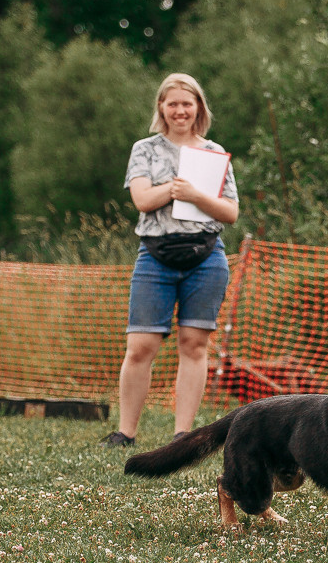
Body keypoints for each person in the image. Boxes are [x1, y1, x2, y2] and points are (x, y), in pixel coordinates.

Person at [101, 73, 238, 447]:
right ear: (161, 107)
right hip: (155, 256)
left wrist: (193, 193)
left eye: (187, 103)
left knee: (194, 345)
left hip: (206, 256)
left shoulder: (213, 152)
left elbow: (230, 212)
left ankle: (184, 434)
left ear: (199, 108)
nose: (180, 110)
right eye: (172, 103)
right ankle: (125, 432)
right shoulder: (144, 149)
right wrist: (175, 188)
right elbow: (143, 200)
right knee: (141, 346)